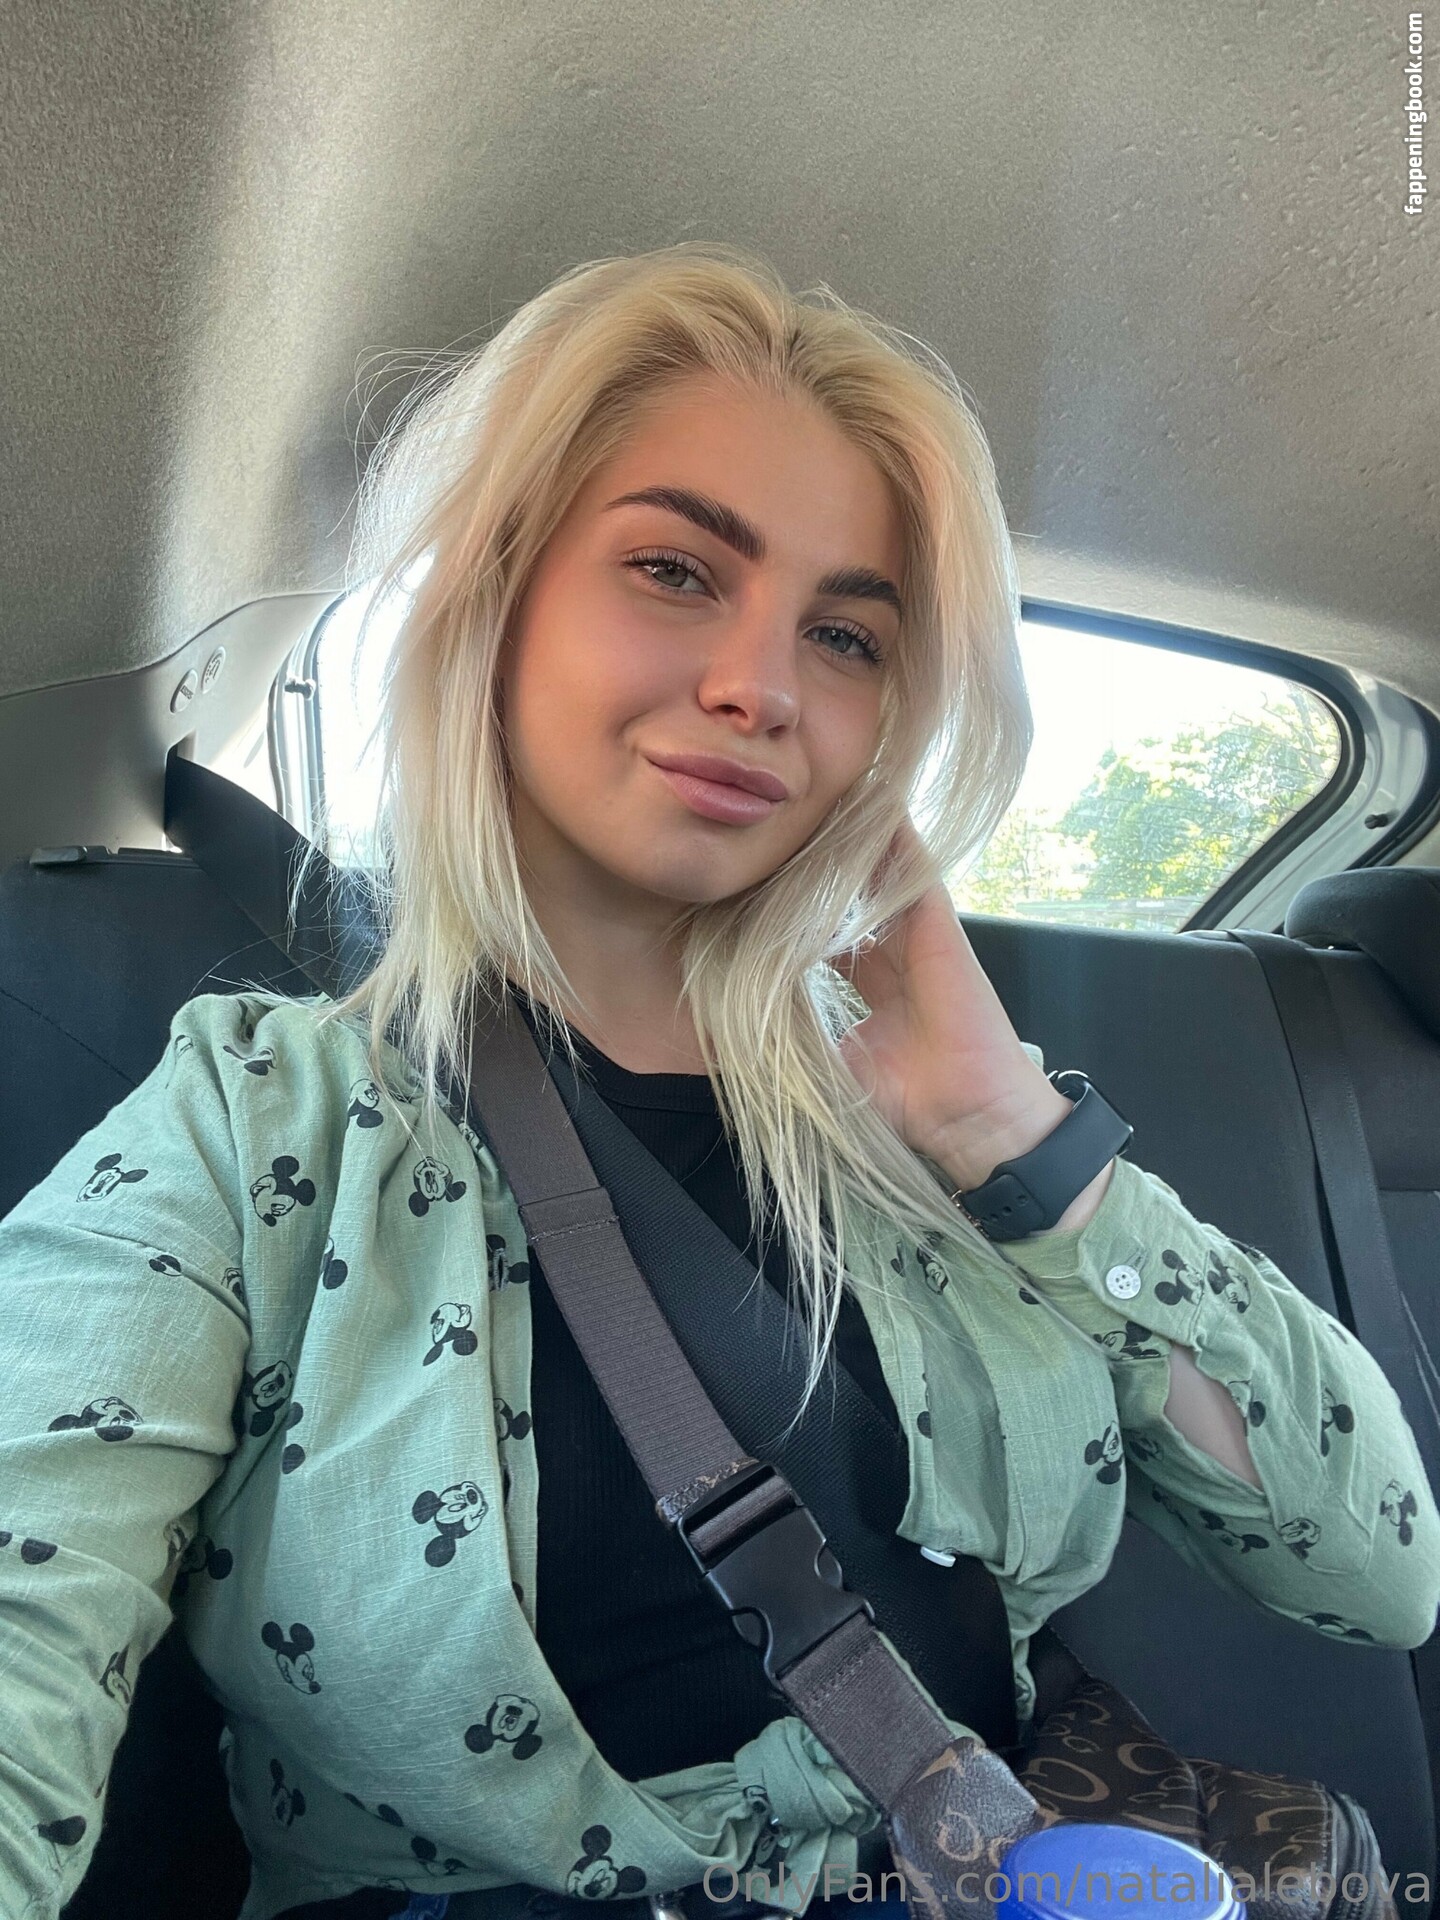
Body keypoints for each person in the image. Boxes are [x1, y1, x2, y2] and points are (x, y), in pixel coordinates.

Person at [1, 242, 1436, 1920]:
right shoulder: (262, 1122)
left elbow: (1379, 1575)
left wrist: (1007, 1132)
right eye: (676, 570)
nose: (762, 686)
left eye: (846, 635)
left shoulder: (955, 1138)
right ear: (497, 595)